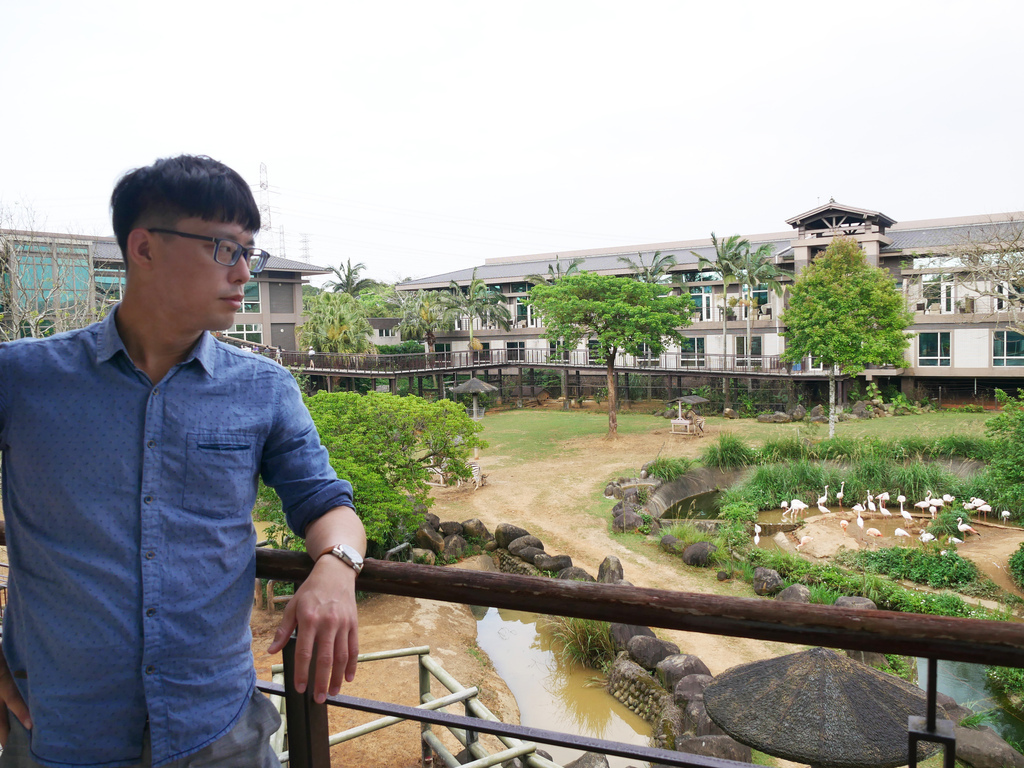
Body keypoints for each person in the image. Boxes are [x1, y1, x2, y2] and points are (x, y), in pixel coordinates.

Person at [0, 155, 366, 767]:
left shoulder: (264, 389)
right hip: (58, 732)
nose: (244, 272)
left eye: (251, 251)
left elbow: (325, 501)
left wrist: (338, 566)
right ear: (143, 248)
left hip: (217, 731)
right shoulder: (22, 378)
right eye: (225, 249)